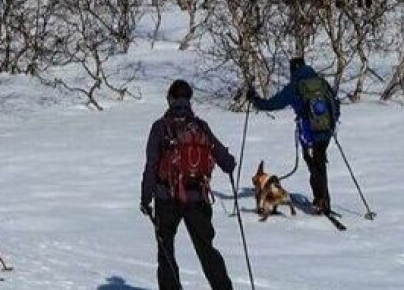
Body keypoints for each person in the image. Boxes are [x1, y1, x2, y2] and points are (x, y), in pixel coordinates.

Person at [141, 79, 235, 290]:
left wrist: (146, 198)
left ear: (170, 99)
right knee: (206, 250)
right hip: (198, 197)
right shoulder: (200, 126)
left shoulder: (160, 127)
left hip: (167, 198)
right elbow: (224, 160)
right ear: (189, 99)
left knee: (166, 251)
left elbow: (151, 164)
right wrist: (229, 164)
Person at [247, 57, 339, 214]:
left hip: (310, 134)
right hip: (327, 131)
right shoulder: (321, 83)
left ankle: (322, 202)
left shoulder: (295, 87)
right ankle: (321, 200)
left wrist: (255, 99)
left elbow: (272, 104)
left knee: (316, 166)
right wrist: (331, 123)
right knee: (318, 163)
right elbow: (335, 104)